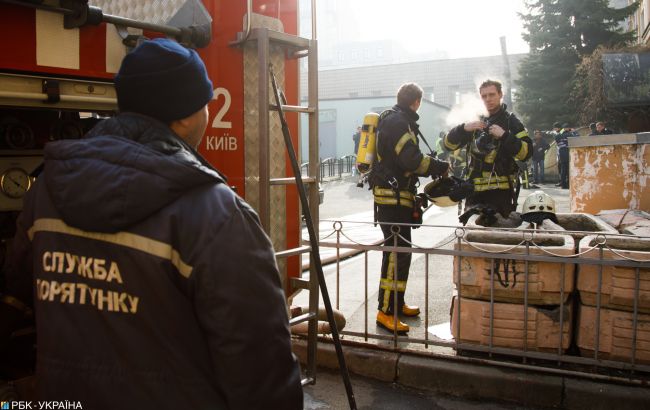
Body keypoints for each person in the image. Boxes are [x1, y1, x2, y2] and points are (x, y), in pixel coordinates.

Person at [0, 38, 303, 409]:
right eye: (205, 103)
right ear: (186, 117)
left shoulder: (45, 192)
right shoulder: (217, 215)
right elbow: (262, 373)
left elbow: (14, 294)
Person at [372, 83, 449, 333]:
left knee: (401, 253)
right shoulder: (398, 122)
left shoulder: (397, 120)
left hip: (396, 198)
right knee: (395, 254)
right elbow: (410, 160)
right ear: (417, 102)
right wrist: (438, 167)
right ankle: (385, 311)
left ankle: (397, 303)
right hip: (391, 200)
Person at [444, 79, 531, 217]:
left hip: (500, 194)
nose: (488, 99)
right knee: (471, 234)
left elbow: (526, 153)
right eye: (484, 96)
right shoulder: (475, 122)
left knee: (498, 234)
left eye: (492, 95)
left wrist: (504, 136)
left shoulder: (511, 122)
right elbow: (448, 145)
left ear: (500, 94)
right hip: (474, 192)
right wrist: (462, 129)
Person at [554, 122, 571, 189]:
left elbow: (559, 144)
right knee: (567, 170)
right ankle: (567, 184)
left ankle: (563, 184)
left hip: (561, 154)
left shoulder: (558, 135)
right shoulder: (570, 134)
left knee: (563, 170)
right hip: (567, 153)